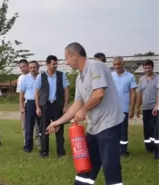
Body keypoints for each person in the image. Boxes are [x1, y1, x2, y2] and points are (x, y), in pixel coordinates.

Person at [47, 42, 124, 185]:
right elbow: (77, 104)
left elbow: (99, 93)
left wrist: (84, 110)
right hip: (94, 127)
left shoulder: (96, 66)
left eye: (67, 58)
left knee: (110, 166)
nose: (66, 62)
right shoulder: (79, 77)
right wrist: (58, 121)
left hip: (109, 124)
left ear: (75, 55)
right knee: (86, 165)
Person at [35, 55, 70, 157]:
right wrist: (37, 107)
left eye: (56, 63)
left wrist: (65, 105)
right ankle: (44, 152)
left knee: (59, 129)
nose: (55, 65)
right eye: (53, 64)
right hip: (44, 106)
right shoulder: (40, 76)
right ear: (48, 64)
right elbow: (36, 92)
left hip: (57, 106)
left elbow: (66, 91)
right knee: (44, 130)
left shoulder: (61, 75)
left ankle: (61, 152)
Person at [111, 56, 137, 156]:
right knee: (112, 130)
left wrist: (132, 108)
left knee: (123, 130)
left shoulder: (130, 76)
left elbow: (133, 93)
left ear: (123, 64)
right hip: (112, 109)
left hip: (124, 108)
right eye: (115, 64)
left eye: (119, 64)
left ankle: (123, 151)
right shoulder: (110, 76)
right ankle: (113, 149)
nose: (117, 66)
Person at [136, 59, 159, 153]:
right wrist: (137, 107)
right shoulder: (141, 79)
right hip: (145, 108)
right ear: (143, 68)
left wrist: (156, 106)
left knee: (154, 128)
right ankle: (148, 147)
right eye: (145, 68)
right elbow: (140, 94)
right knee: (146, 128)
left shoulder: (157, 78)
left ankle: (155, 147)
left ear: (152, 68)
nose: (147, 70)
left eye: (149, 68)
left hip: (155, 108)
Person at [17, 59, 40, 147]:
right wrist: (22, 107)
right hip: (29, 103)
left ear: (38, 68)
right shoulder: (23, 79)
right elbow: (21, 94)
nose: (32, 69)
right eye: (31, 68)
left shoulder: (42, 77)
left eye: (34, 67)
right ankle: (27, 145)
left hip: (40, 104)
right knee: (28, 126)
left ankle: (40, 144)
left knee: (39, 126)